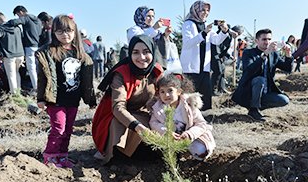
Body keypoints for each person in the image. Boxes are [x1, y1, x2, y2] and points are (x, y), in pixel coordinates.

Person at [35, 14, 96, 168]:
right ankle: (50, 156)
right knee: (58, 128)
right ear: (54, 33)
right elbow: (43, 78)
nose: (65, 35)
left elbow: (87, 81)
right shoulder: (49, 52)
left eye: (69, 31)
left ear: (74, 32)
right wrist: (41, 98)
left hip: (73, 99)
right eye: (60, 31)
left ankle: (62, 156)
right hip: (55, 99)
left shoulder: (80, 54)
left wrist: (90, 99)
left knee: (68, 129)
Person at [92, 35, 163, 165]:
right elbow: (118, 108)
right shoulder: (121, 74)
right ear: (130, 54)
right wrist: (138, 127)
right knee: (117, 123)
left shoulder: (157, 72)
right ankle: (117, 155)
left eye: (146, 52)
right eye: (136, 52)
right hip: (119, 117)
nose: (141, 57)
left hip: (145, 115)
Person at [149, 73, 216, 160]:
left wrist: (189, 134)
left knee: (201, 150)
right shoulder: (158, 108)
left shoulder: (188, 105)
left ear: (179, 91)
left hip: (191, 138)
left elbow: (201, 124)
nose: (166, 95)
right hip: (170, 139)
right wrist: (166, 132)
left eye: (170, 91)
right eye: (162, 92)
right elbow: (153, 123)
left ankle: (188, 153)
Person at [231, 29, 293, 122]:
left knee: (284, 100)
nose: (267, 42)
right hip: (248, 92)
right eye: (264, 39)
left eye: (269, 39)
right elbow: (249, 70)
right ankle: (253, 110)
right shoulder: (248, 53)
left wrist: (288, 55)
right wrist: (265, 54)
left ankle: (257, 106)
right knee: (259, 80)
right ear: (256, 41)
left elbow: (287, 69)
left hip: (266, 92)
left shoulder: (274, 54)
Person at [179, 0, 230, 111]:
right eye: (202, 9)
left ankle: (204, 119)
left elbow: (216, 40)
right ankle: (188, 118)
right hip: (191, 68)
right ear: (196, 10)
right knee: (190, 97)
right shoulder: (188, 24)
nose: (205, 13)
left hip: (204, 68)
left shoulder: (206, 25)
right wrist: (203, 33)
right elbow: (188, 43)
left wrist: (224, 32)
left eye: (207, 10)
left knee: (205, 97)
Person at [8, 5, 42, 92]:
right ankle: (40, 87)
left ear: (21, 12)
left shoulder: (26, 17)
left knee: (31, 69)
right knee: (38, 68)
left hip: (29, 47)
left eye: (18, 14)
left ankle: (36, 88)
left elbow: (15, 22)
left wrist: (6, 23)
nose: (18, 16)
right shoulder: (37, 20)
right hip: (37, 46)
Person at [0, 11, 25, 94]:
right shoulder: (17, 27)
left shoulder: (0, 29)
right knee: (17, 73)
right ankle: (19, 91)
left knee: (11, 75)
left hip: (9, 56)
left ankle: (15, 95)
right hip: (20, 54)